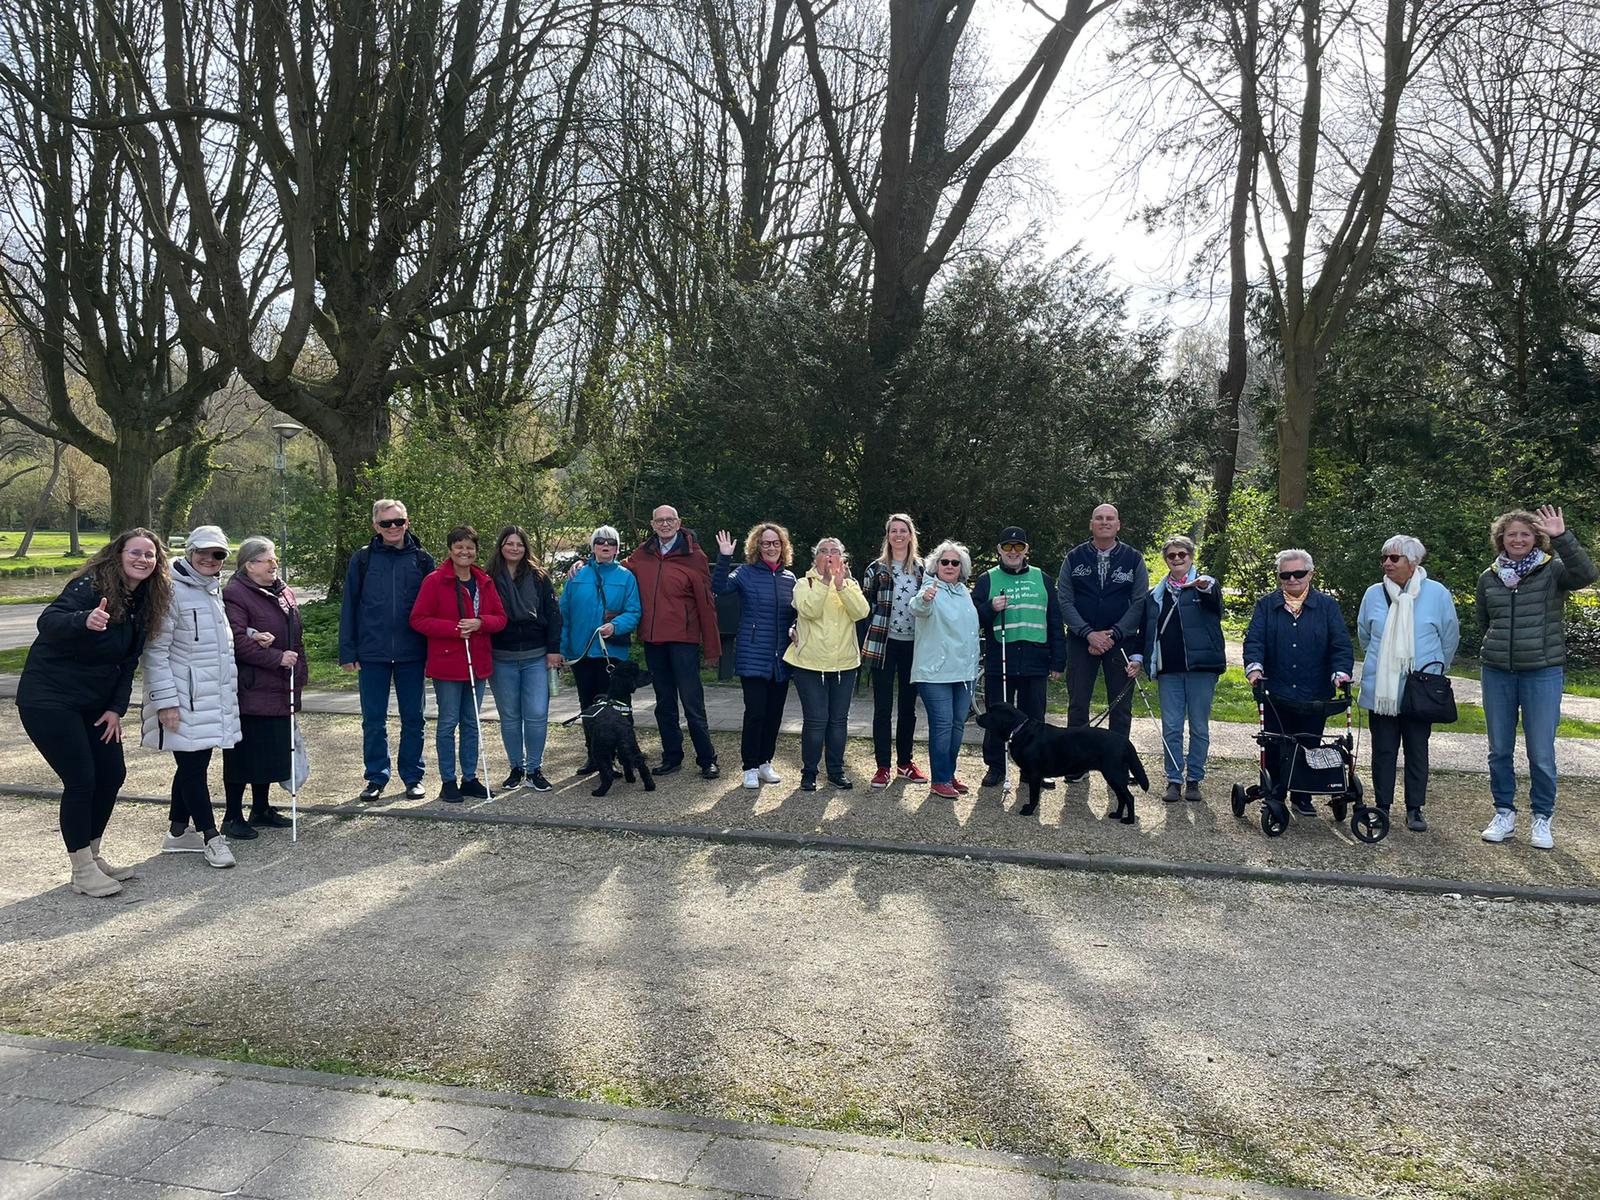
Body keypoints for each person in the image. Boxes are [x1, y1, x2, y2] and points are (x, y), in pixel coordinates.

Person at [17, 529, 171, 897]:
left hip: (94, 705)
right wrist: (83, 620)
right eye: (135, 552)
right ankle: (81, 870)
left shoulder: (143, 601)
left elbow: (127, 663)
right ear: (118, 555)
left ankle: (93, 854)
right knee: (82, 778)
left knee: (112, 773)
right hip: (49, 699)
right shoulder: (90, 586)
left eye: (150, 555)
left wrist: (116, 709)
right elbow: (49, 621)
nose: (142, 560)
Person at [1476, 506, 1597, 850]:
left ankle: (1541, 817)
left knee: (1540, 752)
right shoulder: (1490, 576)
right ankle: (1504, 813)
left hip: (1542, 672)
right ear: (1502, 539)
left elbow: (1587, 574)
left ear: (1536, 539)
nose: (1518, 539)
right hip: (1497, 672)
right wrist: (1498, 652)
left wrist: (1563, 537)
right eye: (1511, 534)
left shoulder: (1553, 571)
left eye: (1525, 534)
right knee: (1499, 749)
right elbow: (1485, 622)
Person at [140, 525, 243, 868]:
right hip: (184, 698)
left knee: (193, 763)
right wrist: (166, 702)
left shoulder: (212, 590)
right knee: (192, 767)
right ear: (189, 552)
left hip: (210, 696)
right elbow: (155, 651)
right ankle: (212, 837)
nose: (209, 559)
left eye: (218, 554)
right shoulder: (170, 591)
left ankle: (177, 831)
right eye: (203, 552)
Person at [1355, 535, 1460, 834]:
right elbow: (1365, 635)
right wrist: (1385, 661)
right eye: (1384, 558)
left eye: (1394, 558)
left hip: (1420, 688)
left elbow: (1449, 636)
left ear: (1413, 562)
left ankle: (1415, 808)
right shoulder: (1374, 594)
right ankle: (1382, 806)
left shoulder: (1437, 594)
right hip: (1383, 690)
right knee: (1383, 750)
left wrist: (1436, 669)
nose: (1387, 563)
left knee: (1417, 749)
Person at [1243, 549, 1354, 816]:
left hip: (1314, 692)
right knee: (1274, 744)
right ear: (1279, 577)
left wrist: (1340, 672)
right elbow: (1254, 641)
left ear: (1310, 574)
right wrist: (1254, 669)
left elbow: (1340, 644)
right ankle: (1274, 794)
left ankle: (1302, 797)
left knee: (1309, 744)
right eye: (1286, 574)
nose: (1292, 579)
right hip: (1276, 690)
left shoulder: (1327, 607)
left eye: (1299, 573)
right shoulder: (1266, 605)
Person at [338, 499, 435, 802]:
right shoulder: (362, 560)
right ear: (375, 526)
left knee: (414, 718)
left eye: (399, 522)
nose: (393, 528)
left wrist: (436, 650)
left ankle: (413, 776)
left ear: (408, 522)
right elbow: (350, 606)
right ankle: (376, 777)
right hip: (372, 652)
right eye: (386, 523)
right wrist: (348, 651)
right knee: (373, 719)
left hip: (412, 651)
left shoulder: (422, 559)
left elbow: (434, 607)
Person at [622, 505, 722, 779]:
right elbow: (616, 573)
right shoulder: (642, 554)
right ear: (653, 524)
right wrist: (586, 564)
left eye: (670, 520)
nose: (665, 524)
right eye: (660, 521)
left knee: (692, 702)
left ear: (679, 523)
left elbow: (706, 603)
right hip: (654, 641)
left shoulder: (694, 556)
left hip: (683, 640)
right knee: (664, 702)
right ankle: (672, 756)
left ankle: (707, 758)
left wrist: (711, 647)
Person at [409, 526, 507, 802]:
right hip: (448, 664)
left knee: (472, 722)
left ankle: (470, 778)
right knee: (448, 722)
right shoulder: (435, 580)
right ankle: (448, 780)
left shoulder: (484, 581)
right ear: (450, 550)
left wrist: (481, 623)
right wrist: (453, 629)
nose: (465, 552)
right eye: (459, 547)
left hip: (477, 662)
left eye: (470, 547)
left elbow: (500, 618)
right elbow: (418, 619)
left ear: (477, 550)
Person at [222, 537, 308, 836]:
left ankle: (261, 808)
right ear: (250, 564)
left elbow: (295, 638)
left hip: (282, 685)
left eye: (275, 559)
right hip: (252, 687)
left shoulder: (283, 592)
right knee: (244, 754)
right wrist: (276, 658)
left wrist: (299, 674)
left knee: (270, 752)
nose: (275, 564)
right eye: (268, 560)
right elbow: (236, 641)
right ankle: (233, 815)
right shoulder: (235, 594)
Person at [972, 526, 1066, 789]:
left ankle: (1033, 768)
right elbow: (972, 618)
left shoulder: (1043, 579)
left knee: (1035, 717)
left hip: (1036, 658)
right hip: (1001, 657)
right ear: (999, 550)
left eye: (1018, 547)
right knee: (996, 716)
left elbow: (1055, 621)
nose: (1013, 552)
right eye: (1007, 547)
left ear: (1026, 550)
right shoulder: (987, 579)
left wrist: (1058, 660)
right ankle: (995, 767)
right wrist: (990, 608)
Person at [713, 523, 798, 790]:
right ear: (756, 547)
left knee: (774, 714)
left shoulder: (790, 579)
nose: (771, 547)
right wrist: (724, 556)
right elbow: (719, 587)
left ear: (782, 547)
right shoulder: (746, 574)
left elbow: (797, 614)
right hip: (753, 655)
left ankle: (764, 762)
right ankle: (749, 766)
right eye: (765, 543)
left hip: (781, 659)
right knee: (755, 714)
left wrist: (795, 627)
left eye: (775, 543)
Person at [1143, 535, 1225, 803]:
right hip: (1170, 669)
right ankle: (1174, 779)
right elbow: (1148, 629)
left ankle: (1195, 779)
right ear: (1166, 560)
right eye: (1172, 556)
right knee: (1172, 728)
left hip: (1202, 669)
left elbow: (1215, 599)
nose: (1177, 559)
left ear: (1191, 557)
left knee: (1199, 727)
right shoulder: (1157, 593)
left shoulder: (1204, 584)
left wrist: (1204, 585)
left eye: (1182, 555)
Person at [784, 537, 870, 791]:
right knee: (816, 719)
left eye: (835, 551)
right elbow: (809, 610)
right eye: (824, 551)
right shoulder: (804, 583)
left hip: (844, 663)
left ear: (843, 559)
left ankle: (836, 771)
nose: (829, 555)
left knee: (838, 720)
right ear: (815, 558)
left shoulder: (851, 585)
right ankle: (809, 772)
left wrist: (841, 584)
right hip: (810, 664)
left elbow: (861, 612)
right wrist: (824, 581)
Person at [1057, 504, 1147, 735]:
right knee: (1077, 704)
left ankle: (1117, 764)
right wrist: (1088, 633)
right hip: (1080, 641)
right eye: (1099, 518)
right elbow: (1065, 601)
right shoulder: (1074, 557)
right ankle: (1076, 768)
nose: (1104, 522)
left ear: (1118, 525)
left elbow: (1139, 602)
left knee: (1121, 706)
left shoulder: (1133, 559)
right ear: (1091, 524)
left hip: (1120, 642)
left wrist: (1113, 634)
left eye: (1109, 518)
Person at [558, 526, 642, 774]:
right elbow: (565, 615)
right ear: (593, 547)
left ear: (617, 548)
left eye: (611, 543)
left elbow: (634, 612)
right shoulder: (576, 576)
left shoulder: (626, 577)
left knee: (616, 710)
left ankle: (621, 758)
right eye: (600, 542)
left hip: (611, 654)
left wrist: (615, 626)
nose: (605, 546)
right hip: (582, 653)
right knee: (589, 708)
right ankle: (594, 757)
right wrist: (563, 650)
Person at [485, 526, 562, 793]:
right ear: (501, 546)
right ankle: (516, 768)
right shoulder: (488, 577)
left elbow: (553, 614)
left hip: (536, 655)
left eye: (519, 544)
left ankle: (534, 769)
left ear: (525, 547)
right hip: (501, 657)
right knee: (510, 715)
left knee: (537, 714)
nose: (514, 548)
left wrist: (554, 649)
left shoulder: (539, 577)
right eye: (509, 543)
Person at [860, 513, 929, 788]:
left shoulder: (924, 569)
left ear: (911, 535)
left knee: (908, 708)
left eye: (903, 530)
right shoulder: (875, 569)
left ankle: (905, 762)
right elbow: (863, 607)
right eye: (893, 531)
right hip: (883, 645)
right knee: (882, 708)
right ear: (887, 536)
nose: (898, 535)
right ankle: (882, 766)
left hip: (914, 645)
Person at [911, 541, 981, 799]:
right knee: (942, 725)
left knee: (956, 726)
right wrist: (925, 599)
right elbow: (917, 606)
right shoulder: (929, 588)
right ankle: (939, 779)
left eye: (955, 563)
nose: (950, 566)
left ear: (961, 567)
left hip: (965, 672)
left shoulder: (964, 592)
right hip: (934, 672)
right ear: (936, 565)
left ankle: (949, 773)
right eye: (945, 562)